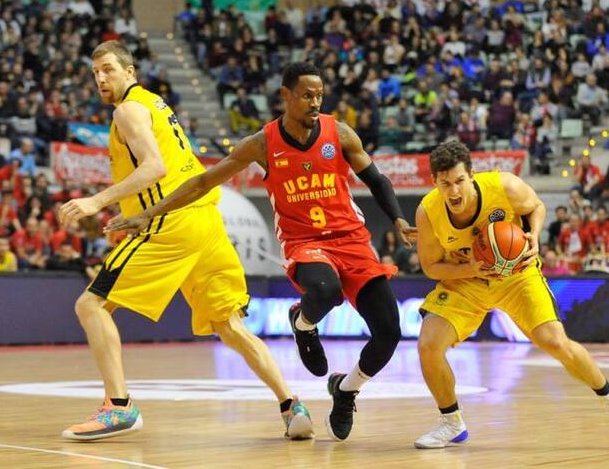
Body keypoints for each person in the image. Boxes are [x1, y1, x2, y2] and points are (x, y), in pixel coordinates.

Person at [106, 62, 417, 441]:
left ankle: (346, 389)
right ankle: (303, 324)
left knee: (389, 332)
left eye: (319, 95)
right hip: (305, 243)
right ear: (285, 96)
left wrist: (398, 219)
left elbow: (377, 180)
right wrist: (149, 213)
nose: (315, 102)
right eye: (306, 95)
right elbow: (202, 182)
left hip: (351, 239)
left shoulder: (340, 133)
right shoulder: (262, 144)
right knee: (326, 290)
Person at [57, 41, 313, 441]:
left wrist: (96, 200)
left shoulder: (127, 109)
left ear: (130, 72)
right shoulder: (155, 104)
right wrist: (131, 212)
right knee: (228, 324)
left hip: (172, 223)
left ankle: (119, 407)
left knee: (91, 305)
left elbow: (155, 168)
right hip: (204, 220)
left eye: (108, 69)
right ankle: (291, 405)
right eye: (95, 73)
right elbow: (170, 168)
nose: (101, 78)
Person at [413, 140, 609, 449]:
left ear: (472, 175)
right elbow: (430, 266)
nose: (453, 191)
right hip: (467, 281)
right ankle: (451, 423)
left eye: (459, 181)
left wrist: (534, 235)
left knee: (555, 342)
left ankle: (605, 393)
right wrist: (472, 269)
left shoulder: (504, 186)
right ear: (435, 181)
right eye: (445, 183)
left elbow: (536, 207)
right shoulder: (428, 212)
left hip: (517, 276)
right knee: (428, 345)